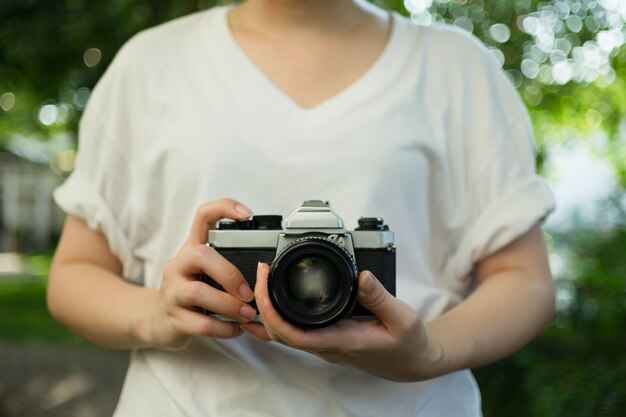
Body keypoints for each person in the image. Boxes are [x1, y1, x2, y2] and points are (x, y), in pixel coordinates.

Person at [47, 0, 556, 415]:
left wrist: (428, 351)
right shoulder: (150, 63)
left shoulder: (457, 66)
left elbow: (525, 278)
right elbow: (75, 271)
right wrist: (156, 313)